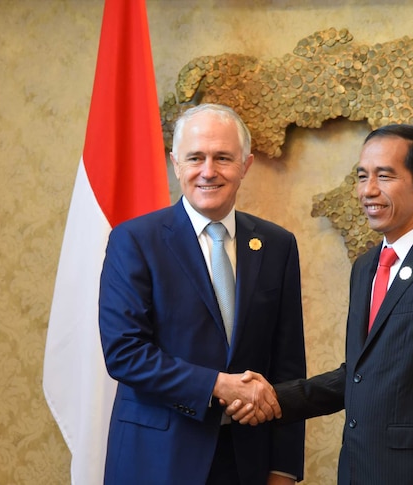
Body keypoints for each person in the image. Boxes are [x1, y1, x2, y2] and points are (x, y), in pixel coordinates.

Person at [228, 124, 413, 484]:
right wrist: (277, 397)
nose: (368, 190)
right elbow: (359, 374)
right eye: (362, 176)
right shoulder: (367, 267)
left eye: (384, 176)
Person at [98, 103, 306, 485]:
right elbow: (125, 354)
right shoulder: (134, 241)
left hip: (247, 463)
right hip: (157, 460)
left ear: (246, 165)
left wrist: (284, 468)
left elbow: (288, 366)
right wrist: (216, 385)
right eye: (195, 157)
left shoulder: (277, 245)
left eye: (223, 158)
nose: (208, 171)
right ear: (176, 164)